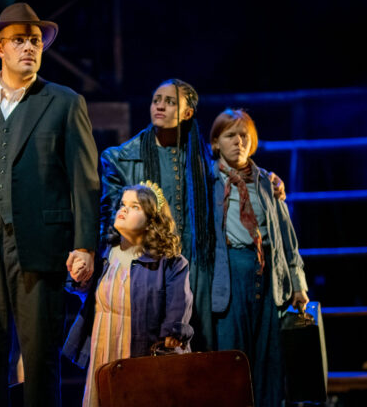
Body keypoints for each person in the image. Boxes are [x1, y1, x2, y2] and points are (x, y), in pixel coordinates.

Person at [0, 2, 99, 407]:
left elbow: (84, 181)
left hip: (40, 245)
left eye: (35, 41)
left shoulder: (64, 102)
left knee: (39, 358)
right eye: (19, 40)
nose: (29, 47)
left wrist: (84, 245)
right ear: (0, 47)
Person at [87, 78, 285, 351]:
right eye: (157, 100)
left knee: (201, 355)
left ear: (187, 113)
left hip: (198, 268)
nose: (160, 106)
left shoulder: (200, 157)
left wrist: (268, 179)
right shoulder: (122, 158)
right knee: (152, 351)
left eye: (170, 102)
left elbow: (236, 172)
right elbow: (109, 218)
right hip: (148, 268)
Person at [209, 109, 308, 407]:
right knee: (231, 363)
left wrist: (298, 284)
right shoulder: (205, 181)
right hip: (228, 277)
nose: (238, 142)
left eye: (244, 136)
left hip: (266, 278)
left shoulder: (267, 182)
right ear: (215, 143)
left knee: (268, 363)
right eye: (230, 136)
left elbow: (286, 239)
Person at [63, 182, 193, 407]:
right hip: (104, 346)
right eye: (122, 205)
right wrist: (79, 278)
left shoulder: (170, 263)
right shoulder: (104, 254)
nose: (123, 210)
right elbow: (86, 291)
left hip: (140, 351)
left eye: (135, 207)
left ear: (152, 220)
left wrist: (174, 331)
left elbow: (178, 304)